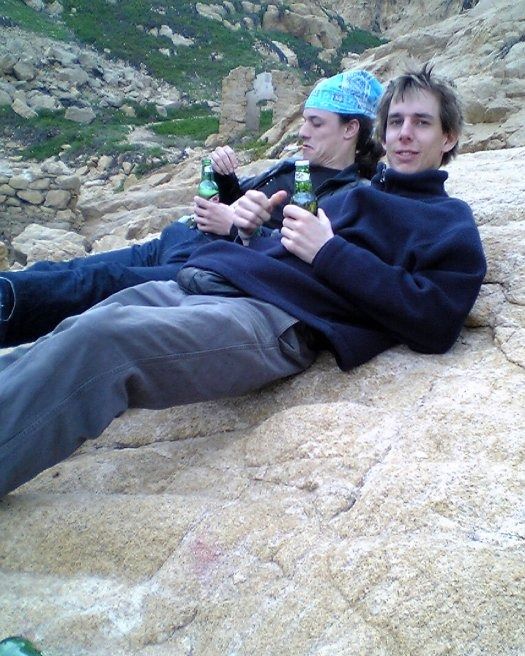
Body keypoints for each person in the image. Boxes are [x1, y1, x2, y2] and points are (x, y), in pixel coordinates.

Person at [0, 65, 486, 498]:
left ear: (448, 138)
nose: (405, 134)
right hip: (220, 279)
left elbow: (436, 321)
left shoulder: (448, 221)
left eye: (422, 123)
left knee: (104, 342)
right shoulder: (355, 195)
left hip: (275, 318)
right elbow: (286, 245)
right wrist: (246, 230)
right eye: (396, 122)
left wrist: (329, 251)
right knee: (71, 329)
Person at [0, 69, 384, 346]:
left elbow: (296, 260)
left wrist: (232, 225)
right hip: (182, 239)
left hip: (206, 266)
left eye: (316, 123)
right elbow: (249, 207)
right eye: (304, 121)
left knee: (94, 284)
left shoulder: (346, 194)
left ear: (350, 129)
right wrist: (227, 180)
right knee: (71, 269)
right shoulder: (300, 166)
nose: (302, 131)